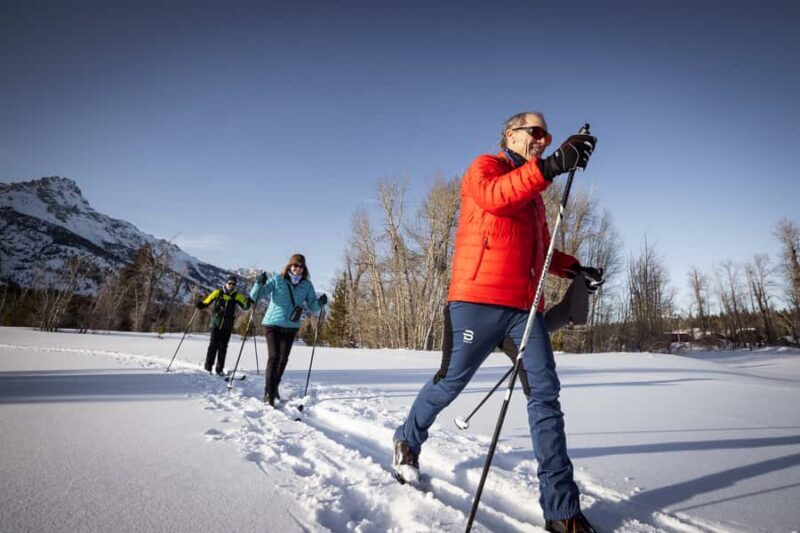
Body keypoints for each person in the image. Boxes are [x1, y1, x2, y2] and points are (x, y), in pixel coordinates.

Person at [392, 112, 604, 533]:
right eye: (535, 132)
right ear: (510, 134)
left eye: (546, 136)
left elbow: (538, 250)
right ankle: (406, 439)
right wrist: (551, 167)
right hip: (476, 301)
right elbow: (496, 197)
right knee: (450, 383)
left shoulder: (535, 192)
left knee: (546, 396)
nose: (542, 139)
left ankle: (561, 512)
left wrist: (575, 267)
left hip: (525, 312)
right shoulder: (485, 169)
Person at [250, 253, 327, 406]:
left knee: (283, 359)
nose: (298, 268)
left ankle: (274, 388)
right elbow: (256, 296)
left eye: (301, 266)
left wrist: (320, 302)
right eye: (295, 265)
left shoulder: (307, 285)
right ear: (289, 266)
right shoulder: (278, 280)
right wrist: (258, 283)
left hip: (291, 326)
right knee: (274, 356)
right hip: (272, 323)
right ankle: (268, 393)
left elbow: (312, 306)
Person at [196, 275, 252, 376]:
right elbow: (207, 301)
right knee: (213, 345)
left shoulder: (236, 296)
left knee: (223, 347)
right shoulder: (217, 293)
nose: (231, 285)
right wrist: (201, 304)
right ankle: (208, 367)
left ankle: (219, 369)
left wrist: (249, 302)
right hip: (216, 323)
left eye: (234, 284)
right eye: (230, 283)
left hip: (227, 325)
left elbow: (245, 306)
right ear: (226, 283)